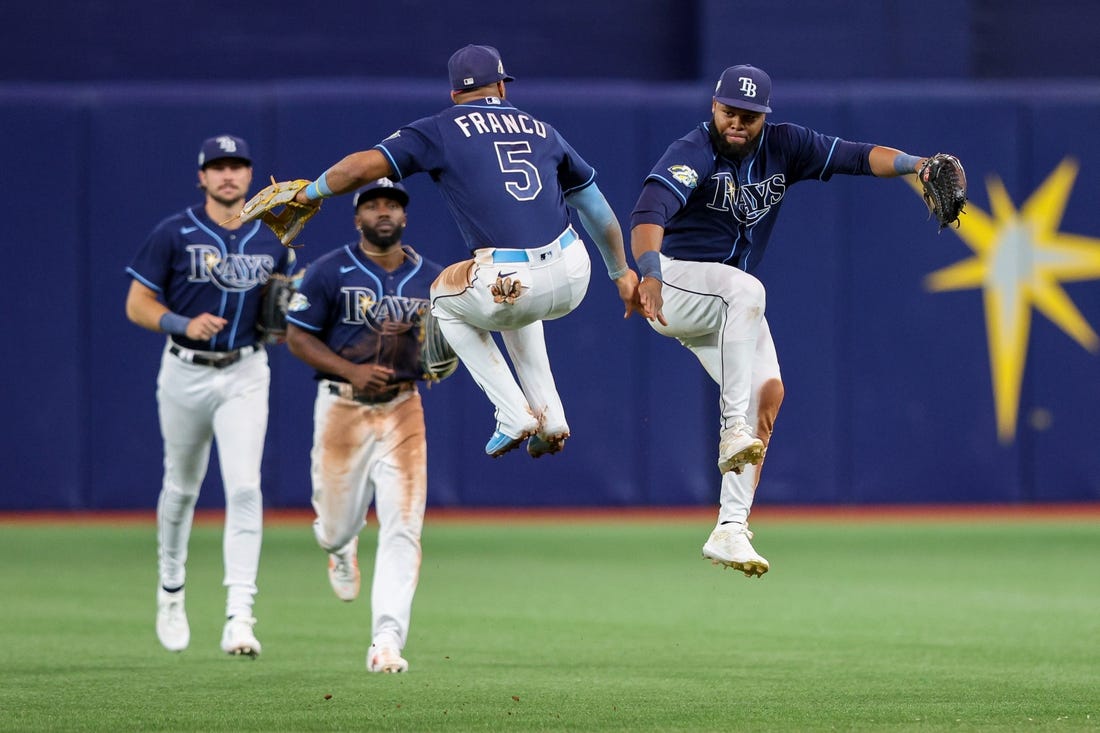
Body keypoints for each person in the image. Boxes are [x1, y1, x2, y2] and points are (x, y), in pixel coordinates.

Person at [630, 65, 958, 578]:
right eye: (728, 112)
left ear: (765, 116)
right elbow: (649, 213)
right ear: (713, 108)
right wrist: (648, 273)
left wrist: (915, 165)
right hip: (674, 285)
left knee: (769, 394)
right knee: (748, 290)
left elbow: (855, 156)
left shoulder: (786, 146)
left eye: (749, 115)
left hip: (724, 305)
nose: (737, 123)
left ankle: (730, 529)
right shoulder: (693, 151)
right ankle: (730, 428)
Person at [289, 44, 641, 459]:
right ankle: (551, 414)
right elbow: (599, 212)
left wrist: (309, 193)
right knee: (517, 309)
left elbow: (359, 169)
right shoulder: (542, 129)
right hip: (573, 271)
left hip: (509, 279)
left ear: (455, 94)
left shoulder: (441, 127)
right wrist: (620, 273)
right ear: (501, 87)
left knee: (443, 297)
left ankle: (512, 413)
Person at [125, 134, 297, 656]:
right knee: (180, 488)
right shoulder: (173, 233)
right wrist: (181, 321)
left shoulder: (274, 239)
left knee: (245, 489)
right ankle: (171, 590)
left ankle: (239, 616)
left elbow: (282, 314)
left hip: (245, 371)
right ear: (202, 177)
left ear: (249, 177)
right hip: (185, 372)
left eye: (237, 166)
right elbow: (136, 304)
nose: (228, 175)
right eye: (217, 167)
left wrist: (288, 314)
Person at [284, 179, 441, 674]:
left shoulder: (432, 278)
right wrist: (350, 369)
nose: (383, 211)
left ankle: (386, 640)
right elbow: (296, 336)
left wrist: (445, 356)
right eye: (372, 204)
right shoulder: (329, 271)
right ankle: (340, 547)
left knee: (403, 528)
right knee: (334, 525)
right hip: (342, 406)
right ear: (357, 218)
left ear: (405, 216)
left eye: (392, 204)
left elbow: (454, 339)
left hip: (403, 408)